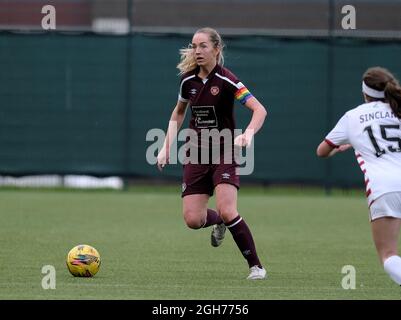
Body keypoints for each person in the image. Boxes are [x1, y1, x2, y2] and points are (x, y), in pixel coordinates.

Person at [157, 27, 268, 279]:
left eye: (203, 46)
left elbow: (259, 110)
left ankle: (256, 267)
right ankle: (219, 222)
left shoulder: (228, 80)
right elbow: (178, 112)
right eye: (194, 46)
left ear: (216, 49)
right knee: (192, 219)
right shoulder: (188, 81)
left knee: (229, 210)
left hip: (224, 151)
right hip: (196, 154)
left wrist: (248, 134)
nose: (197, 51)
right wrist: (166, 147)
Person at [317, 66, 401, 286]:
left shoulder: (353, 116)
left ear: (365, 93)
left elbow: (322, 151)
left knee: (388, 255)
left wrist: (345, 144)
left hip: (385, 188)